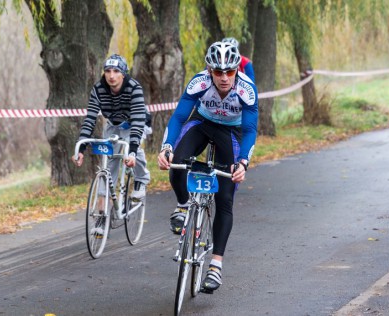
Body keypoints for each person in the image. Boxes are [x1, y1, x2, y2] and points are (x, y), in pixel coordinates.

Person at [157, 41, 258, 293]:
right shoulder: (199, 82)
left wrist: (243, 162)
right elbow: (179, 116)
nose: (224, 78)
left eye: (229, 71)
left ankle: (215, 265)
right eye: (218, 71)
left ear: (237, 70)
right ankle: (182, 205)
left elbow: (249, 130)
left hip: (231, 132)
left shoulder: (247, 89)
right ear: (209, 69)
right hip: (202, 122)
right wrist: (166, 146)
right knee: (178, 163)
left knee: (225, 196)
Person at [72, 54, 151, 221]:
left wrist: (132, 152)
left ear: (123, 73)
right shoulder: (98, 89)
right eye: (108, 71)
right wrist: (81, 147)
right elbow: (90, 118)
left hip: (134, 122)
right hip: (113, 124)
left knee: (132, 149)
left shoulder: (134, 87)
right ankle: (102, 214)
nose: (111, 75)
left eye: (116, 71)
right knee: (108, 161)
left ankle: (141, 180)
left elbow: (138, 121)